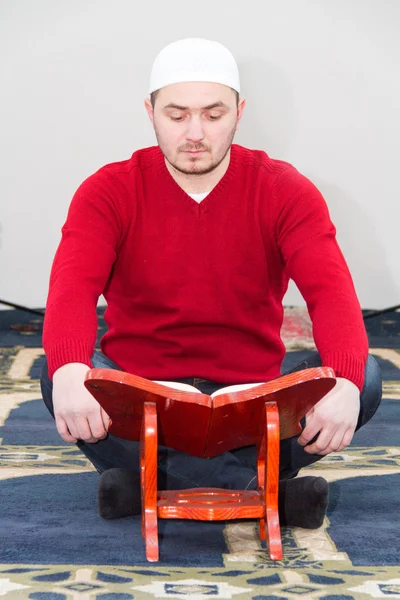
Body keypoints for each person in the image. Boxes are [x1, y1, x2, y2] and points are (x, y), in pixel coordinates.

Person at [40, 38, 382, 530]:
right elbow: (70, 291)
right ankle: (258, 489)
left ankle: (150, 485)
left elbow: (330, 294)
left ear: (239, 112)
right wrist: (70, 369)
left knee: (363, 377)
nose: (194, 133)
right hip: (141, 394)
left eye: (213, 114)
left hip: (250, 398)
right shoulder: (108, 190)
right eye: (176, 115)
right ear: (150, 111)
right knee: (63, 372)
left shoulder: (284, 190)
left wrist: (346, 381)